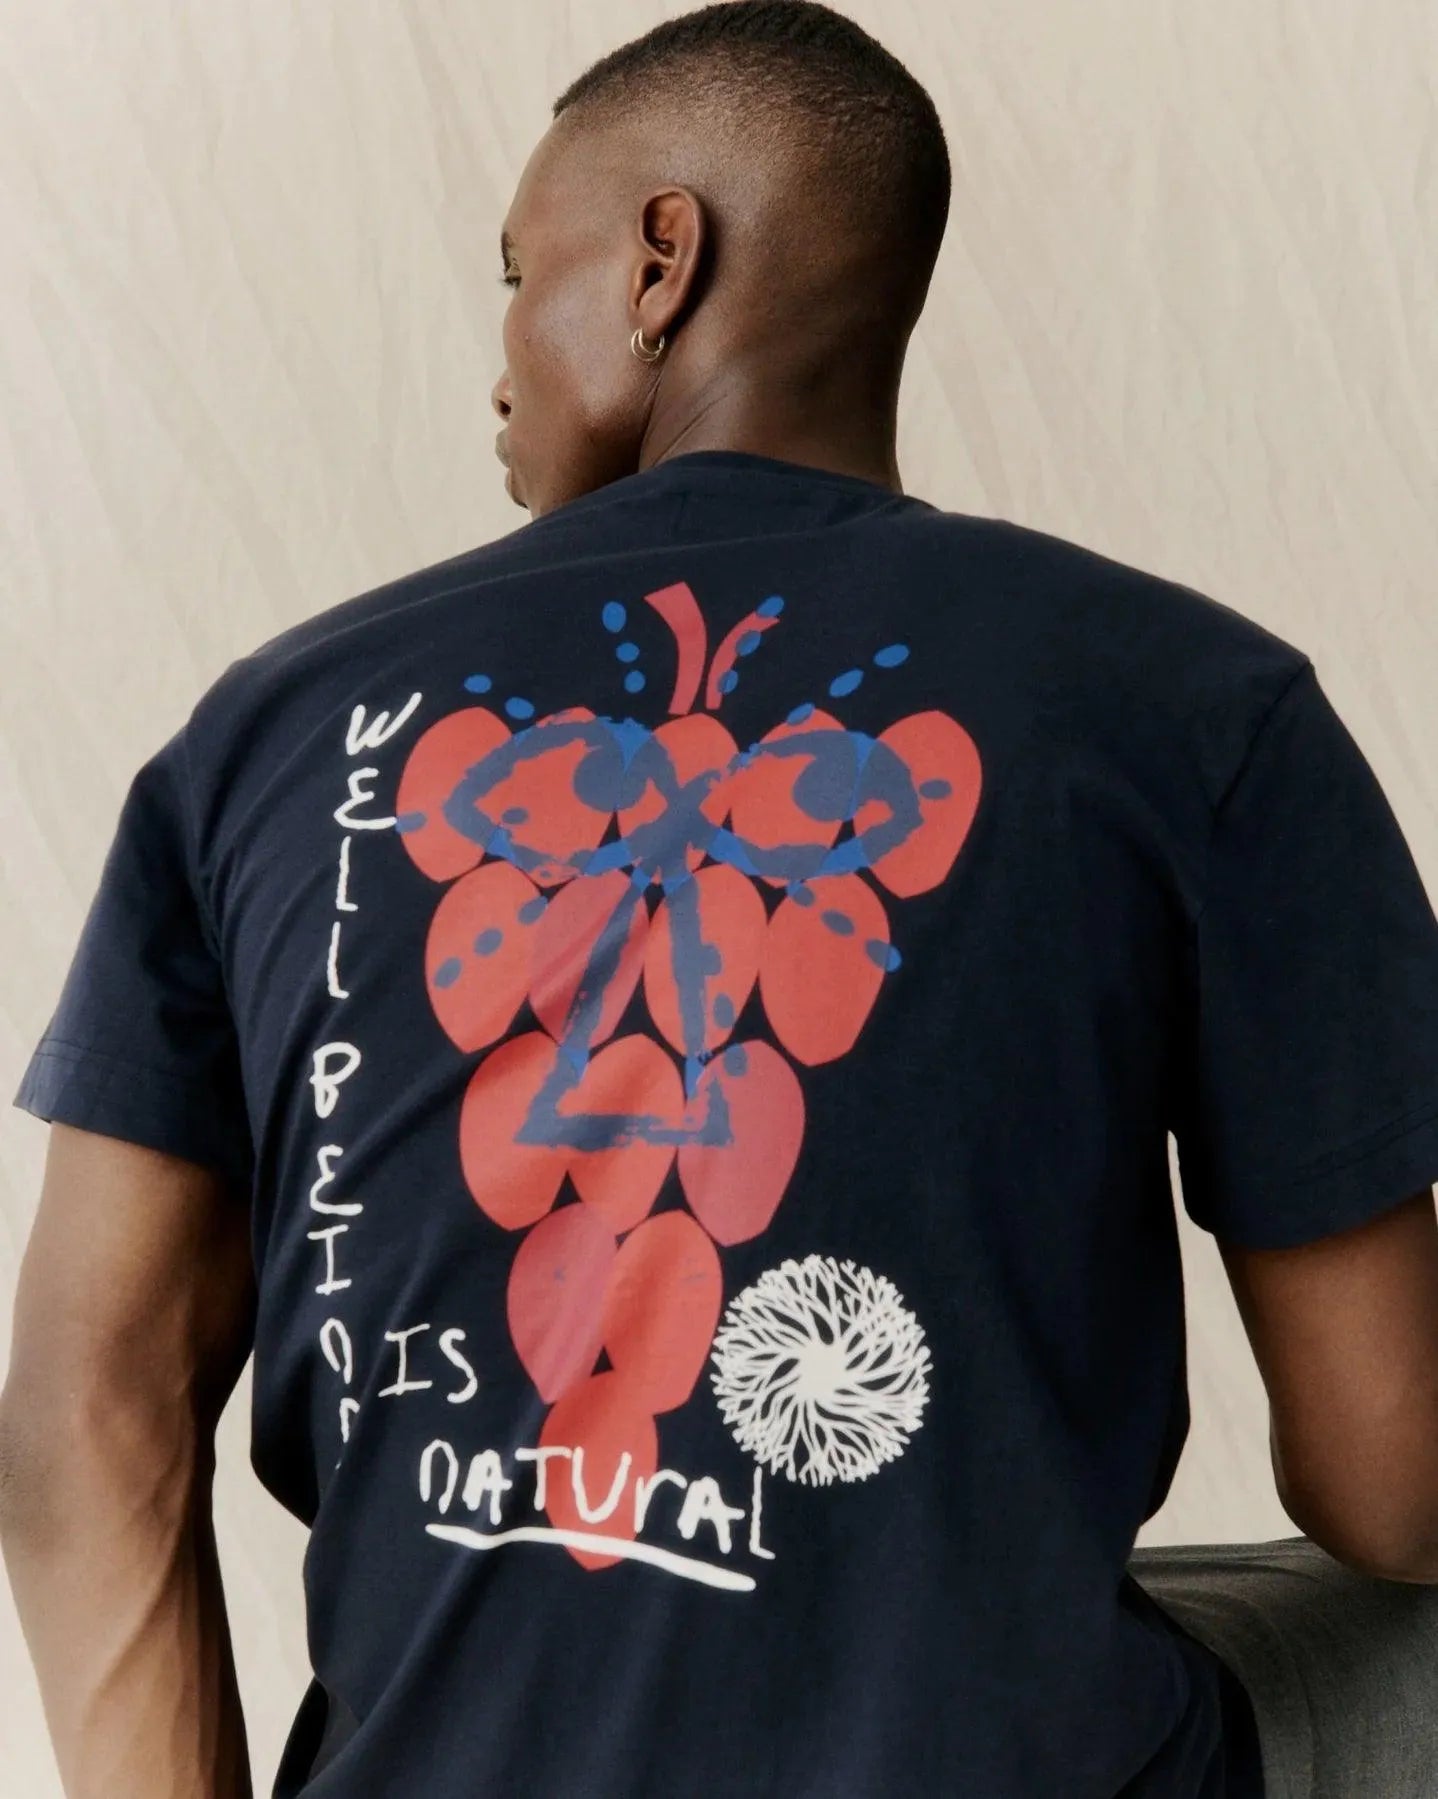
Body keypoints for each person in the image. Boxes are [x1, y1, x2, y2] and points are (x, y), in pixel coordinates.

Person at [2, 2, 1437, 1794]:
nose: (499, 363)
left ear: (658, 260)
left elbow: (87, 1408)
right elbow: (1392, 1480)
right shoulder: (1200, 704)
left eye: (517, 272)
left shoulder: (271, 731)